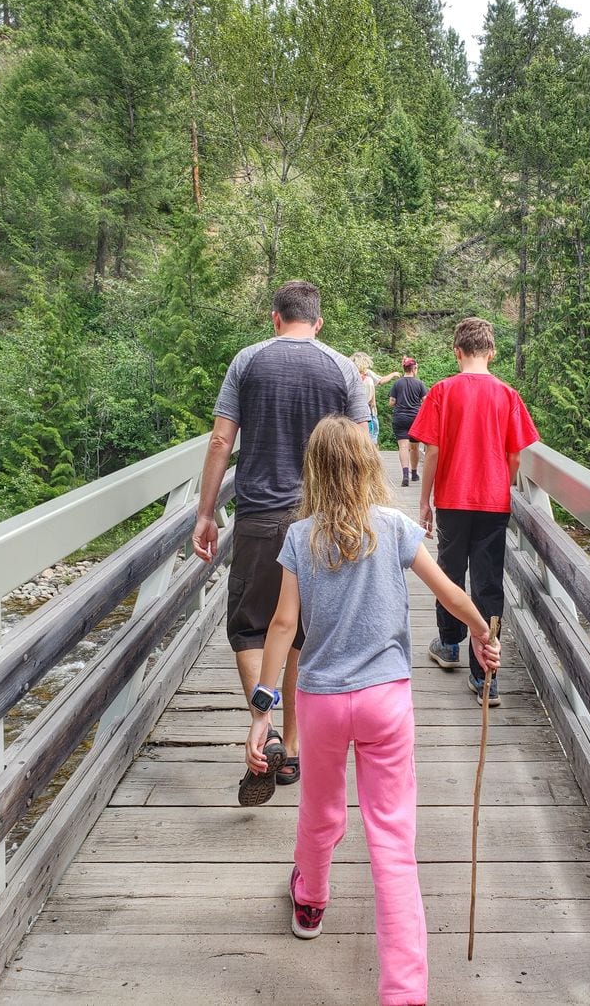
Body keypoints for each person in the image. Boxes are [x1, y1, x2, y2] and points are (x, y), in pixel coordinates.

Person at [244, 416, 500, 1006]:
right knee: (390, 839)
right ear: (368, 466)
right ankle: (405, 992)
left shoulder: (299, 537)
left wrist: (264, 708)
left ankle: (309, 901)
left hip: (324, 704)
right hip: (387, 701)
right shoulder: (395, 527)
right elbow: (450, 592)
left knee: (321, 811)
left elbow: (283, 625)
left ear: (314, 470)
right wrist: (482, 632)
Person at [192, 280, 370, 806]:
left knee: (250, 626)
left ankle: (263, 725)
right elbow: (361, 447)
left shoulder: (247, 361)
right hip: (321, 519)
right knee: (299, 633)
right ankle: (290, 750)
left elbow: (222, 438)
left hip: (260, 517)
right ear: (318, 321)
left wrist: (206, 512)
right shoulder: (342, 367)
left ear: (276, 318)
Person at [409, 317, 539, 707]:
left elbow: (430, 451)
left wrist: (423, 502)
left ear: (457, 351)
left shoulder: (442, 392)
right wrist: (501, 480)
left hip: (451, 499)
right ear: (492, 352)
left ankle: (449, 644)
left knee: (450, 573)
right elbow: (516, 455)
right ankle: (485, 676)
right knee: (488, 583)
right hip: (492, 503)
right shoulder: (508, 394)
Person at [389, 357, 428, 487]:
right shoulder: (419, 384)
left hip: (400, 418)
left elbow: (392, 402)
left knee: (403, 447)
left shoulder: (397, 383)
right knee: (415, 447)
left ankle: (405, 474)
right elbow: (426, 401)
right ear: (414, 368)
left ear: (404, 368)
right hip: (415, 419)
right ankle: (414, 473)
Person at [350, 353, 379, 444]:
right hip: (366, 412)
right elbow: (372, 401)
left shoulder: (349, 378)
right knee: (370, 439)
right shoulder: (368, 380)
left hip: (351, 413)